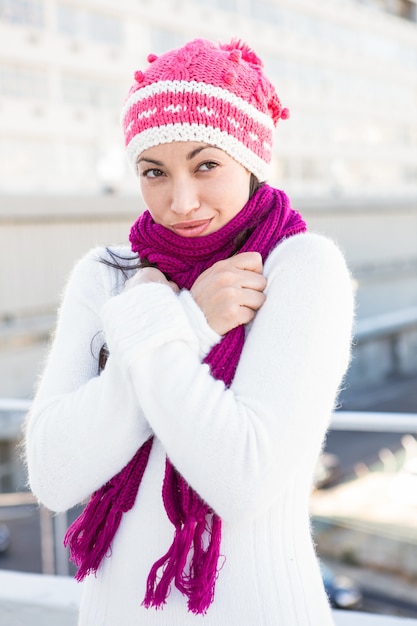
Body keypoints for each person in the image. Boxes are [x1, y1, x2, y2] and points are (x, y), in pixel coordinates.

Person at [25, 38, 354, 625]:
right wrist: (188, 324)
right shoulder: (108, 277)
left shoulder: (300, 268)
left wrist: (154, 330)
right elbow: (53, 475)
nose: (181, 201)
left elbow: (241, 480)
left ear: (250, 159)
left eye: (206, 165)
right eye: (155, 172)